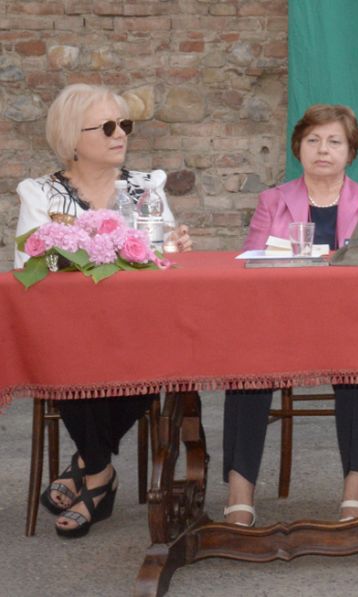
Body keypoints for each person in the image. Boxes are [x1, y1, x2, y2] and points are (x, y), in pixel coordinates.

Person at [14, 83, 192, 537]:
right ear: (72, 138)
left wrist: (174, 245)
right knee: (66, 353)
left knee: (164, 354)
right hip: (73, 332)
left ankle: (87, 465)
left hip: (140, 329)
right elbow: (28, 265)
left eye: (124, 124)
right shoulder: (40, 194)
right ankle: (99, 475)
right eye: (108, 127)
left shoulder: (146, 187)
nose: (121, 134)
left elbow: (163, 261)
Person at [224, 104, 358, 525]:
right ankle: (239, 488)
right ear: (298, 148)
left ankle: (356, 485)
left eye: (334, 141)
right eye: (313, 140)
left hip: (347, 323)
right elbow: (249, 268)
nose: (323, 150)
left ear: (351, 151)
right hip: (280, 323)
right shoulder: (273, 201)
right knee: (246, 361)